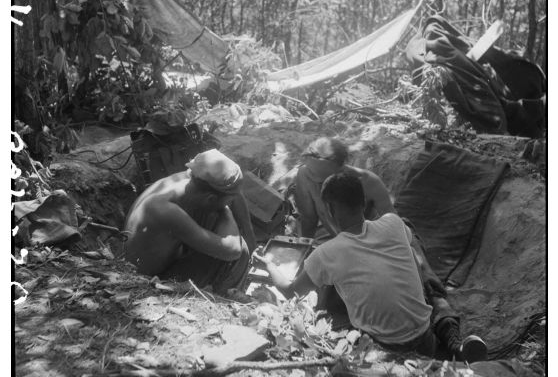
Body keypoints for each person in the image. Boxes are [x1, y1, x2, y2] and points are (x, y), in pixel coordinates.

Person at [255, 172, 488, 362]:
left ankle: (444, 347)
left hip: (381, 350)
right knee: (414, 271)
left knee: (328, 309)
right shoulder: (394, 224)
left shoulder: (326, 254)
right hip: (424, 338)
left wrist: (270, 264)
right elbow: (407, 244)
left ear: (331, 211)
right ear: (363, 203)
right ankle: (452, 346)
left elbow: (290, 291)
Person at [294, 137, 446, 299]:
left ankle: (433, 294)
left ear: (340, 171)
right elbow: (308, 220)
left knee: (402, 275)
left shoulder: (368, 182)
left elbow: (397, 228)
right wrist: (300, 259)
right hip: (345, 247)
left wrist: (424, 270)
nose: (315, 181)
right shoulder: (304, 175)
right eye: (311, 173)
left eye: (323, 179)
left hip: (376, 246)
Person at [124, 149, 257, 294]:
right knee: (241, 251)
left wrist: (249, 232)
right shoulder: (166, 210)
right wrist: (225, 210)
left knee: (214, 217)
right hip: (150, 280)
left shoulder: (192, 179)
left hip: (167, 254)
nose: (230, 203)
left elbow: (235, 192)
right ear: (211, 198)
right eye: (228, 201)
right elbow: (233, 251)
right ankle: (226, 297)